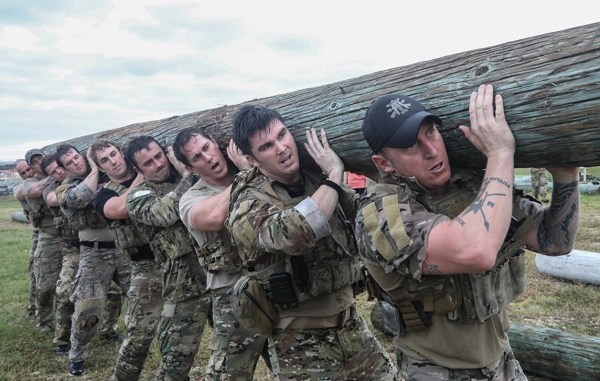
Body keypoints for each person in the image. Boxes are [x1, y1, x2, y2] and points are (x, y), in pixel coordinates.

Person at [354, 84, 580, 380]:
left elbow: (555, 241)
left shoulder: (473, 188)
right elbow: (477, 251)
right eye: (410, 146)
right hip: (437, 370)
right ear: (384, 163)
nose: (432, 150)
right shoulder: (380, 215)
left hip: (502, 359)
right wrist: (500, 153)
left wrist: (566, 177)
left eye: (431, 132)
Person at [227, 105, 399, 380]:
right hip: (298, 340)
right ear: (252, 159)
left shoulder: (313, 179)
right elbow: (295, 234)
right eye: (267, 146)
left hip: (350, 324)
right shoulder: (247, 203)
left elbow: (364, 217)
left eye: (283, 135)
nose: (282, 148)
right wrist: (333, 176)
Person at [174, 127, 272, 379]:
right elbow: (217, 216)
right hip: (233, 295)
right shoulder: (191, 198)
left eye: (206, 148)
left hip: (274, 283)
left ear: (217, 144)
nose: (207, 157)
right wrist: (247, 174)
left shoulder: (252, 174)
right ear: (192, 169)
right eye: (196, 157)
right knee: (229, 373)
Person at [125, 135, 211, 381]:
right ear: (138, 170)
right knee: (176, 360)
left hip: (216, 271)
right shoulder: (138, 195)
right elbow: (163, 214)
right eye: (148, 163)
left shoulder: (190, 176)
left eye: (158, 156)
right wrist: (187, 176)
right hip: (182, 283)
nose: (158, 164)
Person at [86, 139, 163, 381]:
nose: (113, 161)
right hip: (145, 267)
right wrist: (142, 176)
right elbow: (119, 209)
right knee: (138, 336)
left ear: (121, 152)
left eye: (113, 154)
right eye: (104, 160)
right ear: (100, 167)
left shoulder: (154, 171)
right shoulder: (103, 193)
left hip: (178, 258)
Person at [55, 144, 131, 376]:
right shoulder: (67, 188)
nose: (76, 163)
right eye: (70, 163)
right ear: (65, 168)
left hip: (123, 249)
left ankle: (115, 334)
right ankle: (76, 355)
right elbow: (80, 198)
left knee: (136, 298)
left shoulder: (111, 177)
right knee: (88, 307)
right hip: (94, 253)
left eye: (77, 157)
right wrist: (94, 168)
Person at [40, 154, 80, 356]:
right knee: (65, 293)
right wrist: (69, 178)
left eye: (60, 167)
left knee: (115, 293)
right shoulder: (51, 189)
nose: (59, 172)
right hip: (73, 249)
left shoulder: (83, 178)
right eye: (54, 172)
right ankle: (62, 341)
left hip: (102, 247)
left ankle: (108, 330)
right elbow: (56, 199)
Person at [21, 149, 64, 333]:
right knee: (46, 284)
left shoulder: (62, 174)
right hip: (49, 236)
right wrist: (53, 177)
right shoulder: (31, 182)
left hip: (71, 235)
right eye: (35, 161)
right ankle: (44, 322)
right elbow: (34, 191)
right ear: (31, 167)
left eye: (41, 158)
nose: (40, 162)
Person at [13, 159, 38, 318]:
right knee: (35, 270)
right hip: (39, 232)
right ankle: (33, 306)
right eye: (23, 173)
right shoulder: (23, 186)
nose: (28, 174)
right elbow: (21, 193)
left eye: (29, 169)